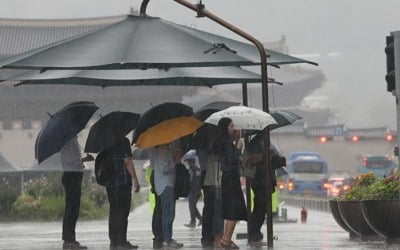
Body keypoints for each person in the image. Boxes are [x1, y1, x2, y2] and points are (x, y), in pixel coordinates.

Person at [133, 143, 184, 249]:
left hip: (161, 182)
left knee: (164, 211)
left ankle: (165, 237)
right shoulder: (163, 149)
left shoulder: (154, 148)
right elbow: (164, 167)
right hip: (166, 184)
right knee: (168, 212)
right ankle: (167, 239)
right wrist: (175, 161)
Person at [246, 133, 286, 245]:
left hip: (263, 178)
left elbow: (269, 158)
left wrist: (275, 158)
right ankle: (254, 233)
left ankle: (255, 232)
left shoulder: (263, 141)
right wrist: (267, 156)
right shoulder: (256, 142)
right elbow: (254, 158)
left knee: (261, 208)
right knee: (260, 208)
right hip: (260, 179)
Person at [214, 118, 247, 249]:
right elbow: (230, 161)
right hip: (231, 179)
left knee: (231, 210)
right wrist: (238, 149)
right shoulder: (227, 143)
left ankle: (226, 238)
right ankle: (226, 239)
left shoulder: (225, 142)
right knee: (234, 209)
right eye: (231, 126)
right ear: (225, 127)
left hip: (229, 179)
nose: (233, 128)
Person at [106, 137, 140, 250]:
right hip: (122, 183)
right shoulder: (123, 141)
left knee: (114, 212)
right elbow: (128, 161)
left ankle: (114, 241)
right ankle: (121, 241)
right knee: (122, 213)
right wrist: (135, 179)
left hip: (110, 184)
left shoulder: (106, 142)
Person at [60, 136, 94, 250]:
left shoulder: (73, 140)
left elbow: (73, 159)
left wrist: (84, 159)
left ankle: (71, 239)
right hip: (72, 175)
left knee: (73, 209)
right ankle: (69, 240)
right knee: (71, 208)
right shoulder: (68, 140)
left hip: (74, 175)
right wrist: (83, 159)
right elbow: (71, 160)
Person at [199, 148, 224, 248]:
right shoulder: (211, 147)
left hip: (207, 174)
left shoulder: (202, 146)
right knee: (214, 207)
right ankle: (213, 236)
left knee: (209, 207)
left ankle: (207, 236)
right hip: (211, 174)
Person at [183, 157, 202, 228]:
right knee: (192, 206)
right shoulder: (198, 170)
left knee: (192, 206)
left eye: (188, 162)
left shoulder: (192, 170)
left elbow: (190, 181)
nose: (188, 163)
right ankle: (196, 220)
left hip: (194, 190)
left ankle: (194, 221)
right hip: (197, 190)